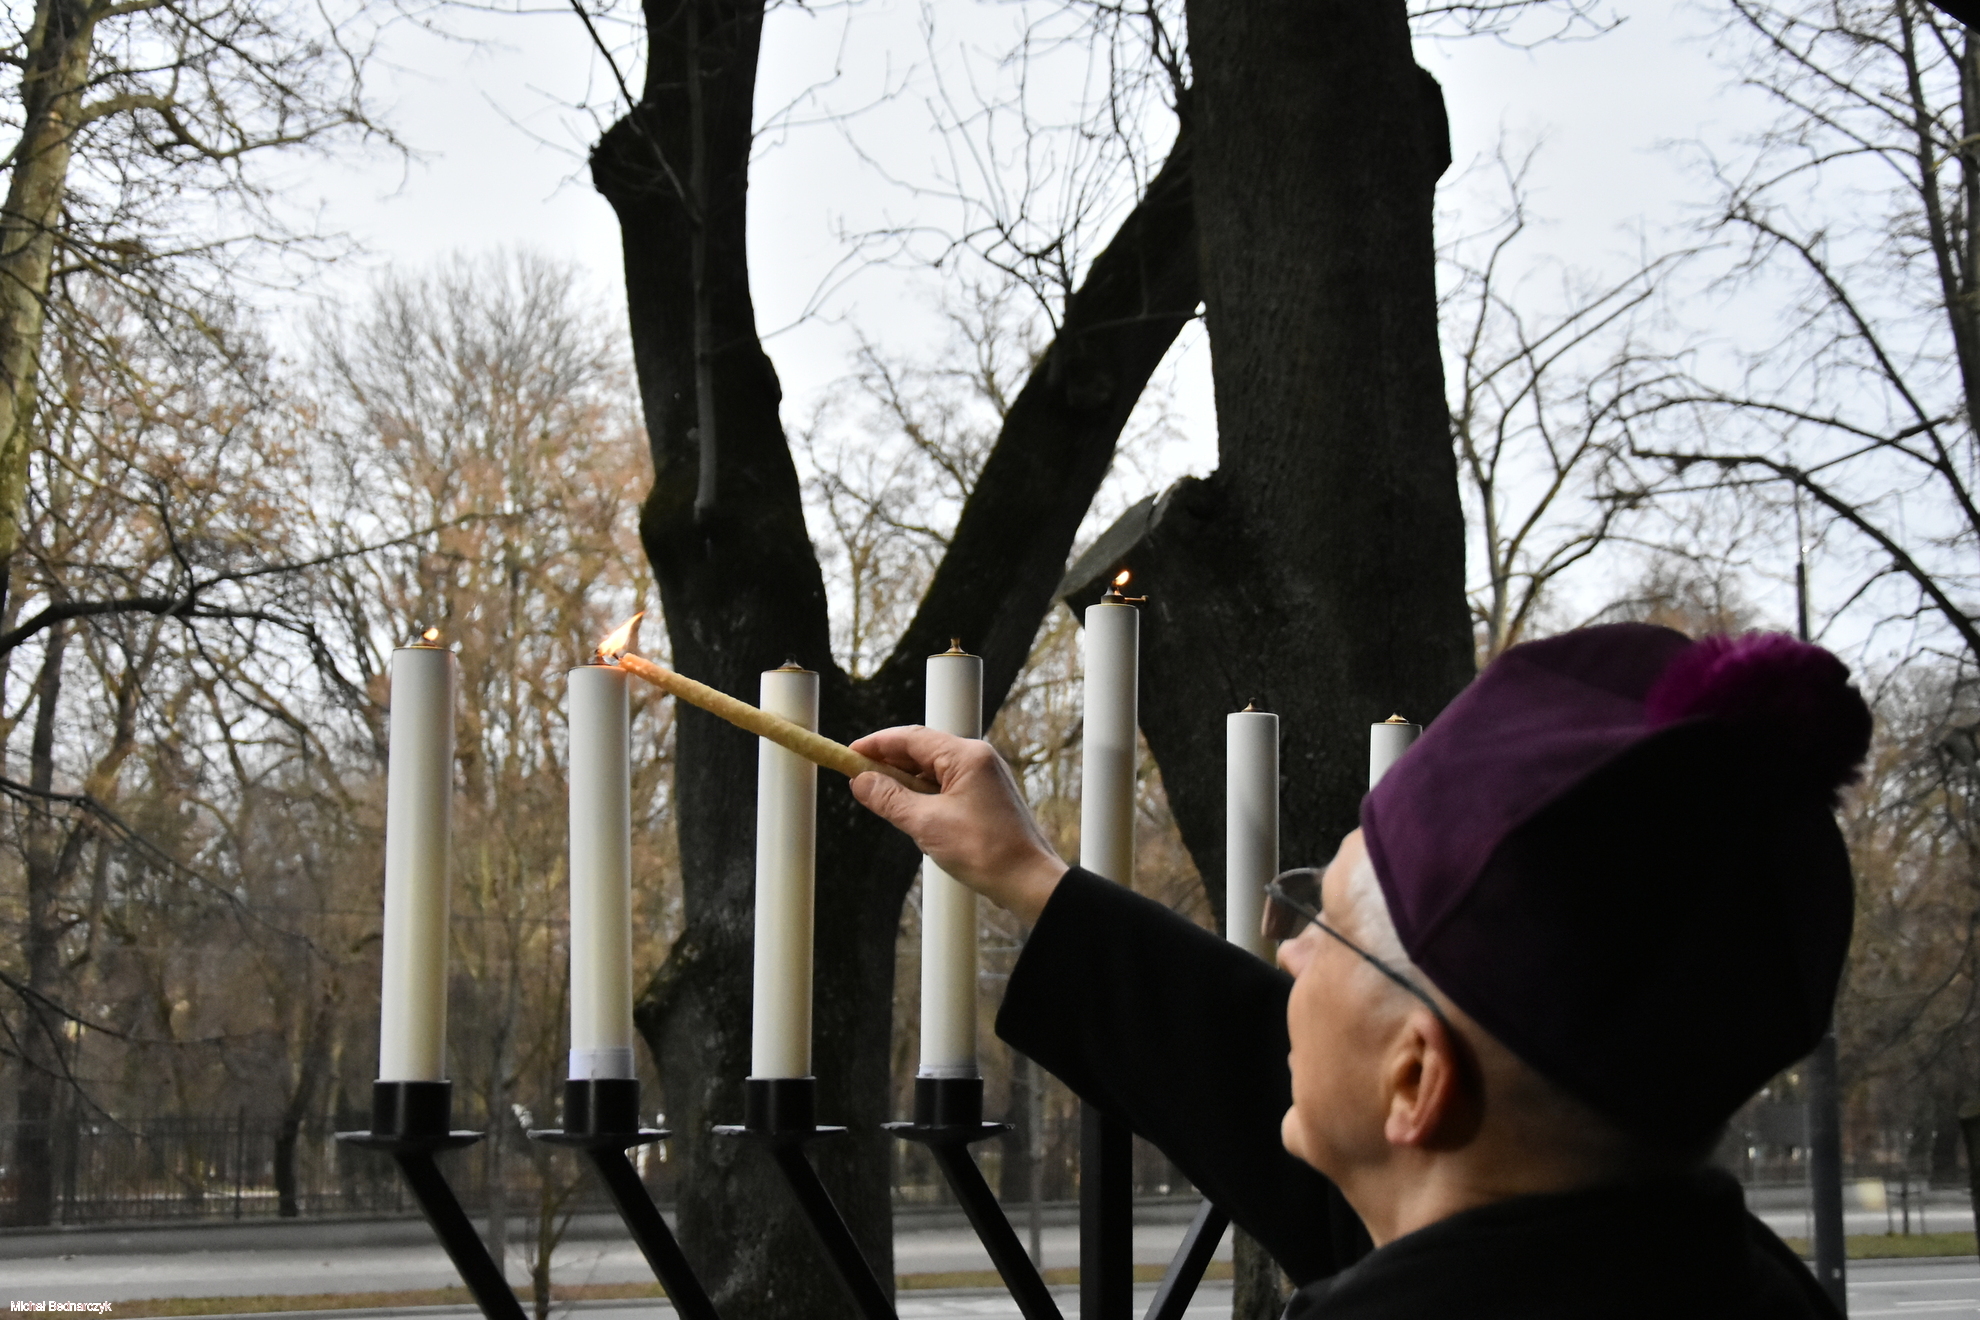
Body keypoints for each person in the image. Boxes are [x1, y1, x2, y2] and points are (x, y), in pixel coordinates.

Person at [849, 622, 1868, 1318]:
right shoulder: (1687, 1265)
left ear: (1415, 1080)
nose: (1287, 952)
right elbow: (1267, 1079)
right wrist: (1032, 878)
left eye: (1322, 922)